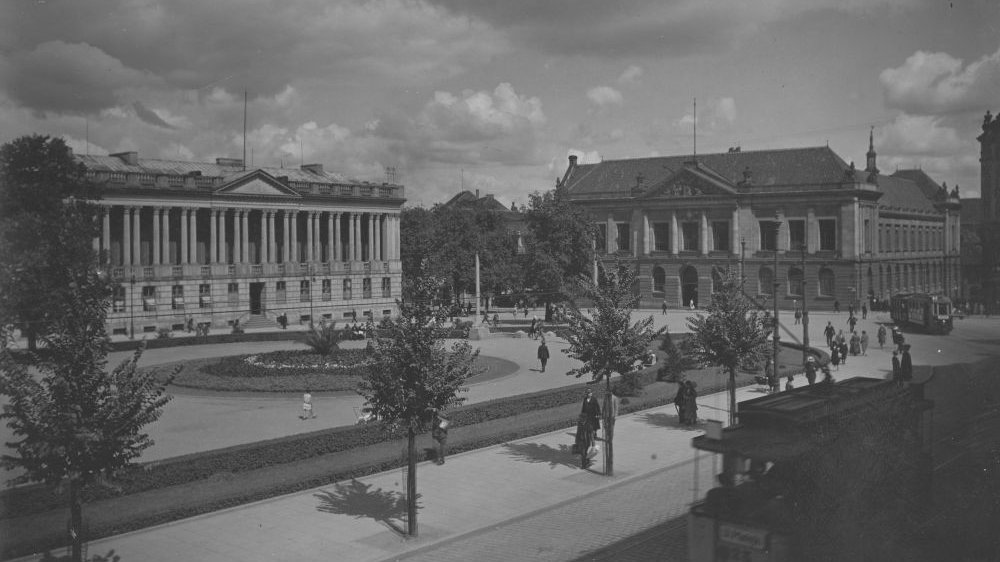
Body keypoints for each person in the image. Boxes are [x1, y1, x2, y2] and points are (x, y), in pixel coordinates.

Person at [580, 389, 601, 468]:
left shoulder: (594, 399)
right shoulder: (585, 400)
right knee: (589, 436)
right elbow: (583, 409)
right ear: (586, 394)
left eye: (590, 392)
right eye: (588, 393)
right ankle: (586, 461)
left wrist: (598, 414)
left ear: (592, 393)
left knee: (591, 433)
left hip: (593, 418)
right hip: (587, 419)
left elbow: (597, 407)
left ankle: (586, 460)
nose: (589, 394)